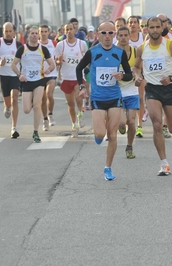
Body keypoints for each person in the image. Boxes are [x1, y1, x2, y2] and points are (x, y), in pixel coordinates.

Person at [76, 21, 132, 181]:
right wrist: (82, 86)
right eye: (104, 33)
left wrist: (122, 76)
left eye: (110, 33)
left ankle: (108, 168)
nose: (107, 36)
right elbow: (79, 68)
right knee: (100, 134)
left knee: (112, 135)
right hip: (98, 99)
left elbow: (129, 74)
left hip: (115, 97)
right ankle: (99, 135)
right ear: (98, 34)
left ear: (114, 34)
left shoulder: (119, 52)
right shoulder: (93, 52)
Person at [133, 17, 172, 176]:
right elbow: (136, 68)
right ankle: (164, 164)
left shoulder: (170, 45)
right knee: (157, 124)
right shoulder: (141, 48)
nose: (155, 30)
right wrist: (137, 77)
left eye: (158, 27)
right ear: (147, 29)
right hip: (152, 90)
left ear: (162, 27)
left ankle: (170, 122)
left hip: (169, 88)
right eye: (152, 27)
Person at [11, 26, 55, 143]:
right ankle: (30, 100)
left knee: (37, 106)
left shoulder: (43, 49)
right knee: (26, 110)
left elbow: (52, 64)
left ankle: (35, 132)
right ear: (28, 35)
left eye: (36, 33)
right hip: (26, 82)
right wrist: (19, 75)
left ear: (38, 35)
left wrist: (48, 70)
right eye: (32, 33)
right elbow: (13, 65)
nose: (35, 35)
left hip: (39, 81)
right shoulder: (22, 49)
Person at [0, 22, 23, 138]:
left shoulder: (18, 44)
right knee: (8, 103)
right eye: (5, 31)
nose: (8, 33)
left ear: (14, 32)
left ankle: (14, 127)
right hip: (4, 76)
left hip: (15, 76)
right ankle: (7, 107)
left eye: (10, 31)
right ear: (3, 32)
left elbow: (25, 59)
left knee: (15, 99)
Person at [54, 22, 88, 138]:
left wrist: (84, 62)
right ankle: (74, 125)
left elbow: (87, 58)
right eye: (66, 29)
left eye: (71, 29)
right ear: (64, 32)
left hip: (78, 77)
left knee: (79, 98)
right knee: (70, 103)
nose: (69, 31)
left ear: (75, 31)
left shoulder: (82, 44)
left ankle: (80, 114)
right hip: (66, 77)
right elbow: (56, 62)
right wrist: (59, 61)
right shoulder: (60, 45)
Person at [116, 26, 139, 159]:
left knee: (131, 121)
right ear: (117, 37)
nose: (123, 38)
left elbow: (137, 69)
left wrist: (138, 77)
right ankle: (120, 125)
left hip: (131, 90)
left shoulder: (134, 52)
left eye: (126, 35)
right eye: (121, 35)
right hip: (117, 91)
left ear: (129, 36)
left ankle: (129, 147)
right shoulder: (113, 52)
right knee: (121, 122)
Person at [39, 24, 58, 131]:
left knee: (49, 93)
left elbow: (58, 56)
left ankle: (50, 114)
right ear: (39, 33)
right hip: (40, 75)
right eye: (42, 31)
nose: (44, 33)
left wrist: (59, 61)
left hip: (51, 73)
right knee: (43, 98)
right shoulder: (35, 44)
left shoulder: (53, 43)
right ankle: (45, 119)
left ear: (48, 32)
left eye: (45, 31)